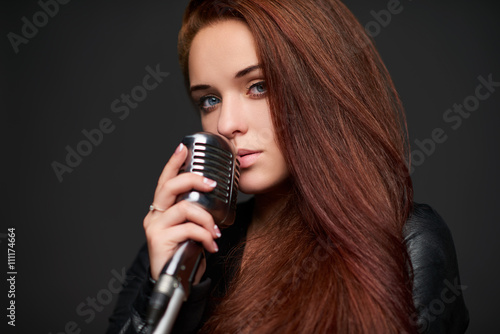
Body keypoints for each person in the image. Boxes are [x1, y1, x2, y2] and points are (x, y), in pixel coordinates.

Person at [107, 0, 469, 333]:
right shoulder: (180, 247)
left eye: (259, 86)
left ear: (320, 85)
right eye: (210, 99)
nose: (226, 123)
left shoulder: (408, 242)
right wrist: (171, 290)